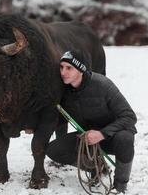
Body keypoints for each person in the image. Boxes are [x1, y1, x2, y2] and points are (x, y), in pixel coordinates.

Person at [46, 50, 137, 194]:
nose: (63, 72)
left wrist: (102, 134)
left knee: (125, 139)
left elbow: (129, 117)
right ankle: (97, 167)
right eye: (61, 67)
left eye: (69, 68)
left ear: (81, 69)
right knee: (54, 149)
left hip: (113, 135)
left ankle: (120, 185)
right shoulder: (64, 90)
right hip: (87, 138)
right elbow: (59, 118)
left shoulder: (103, 85)